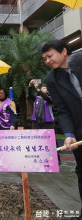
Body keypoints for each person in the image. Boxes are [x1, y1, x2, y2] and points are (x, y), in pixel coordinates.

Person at [43, 40, 82, 219]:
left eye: (50, 56)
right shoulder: (52, 79)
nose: (47, 61)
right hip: (78, 131)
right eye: (45, 59)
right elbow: (60, 109)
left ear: (64, 51)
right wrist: (68, 134)